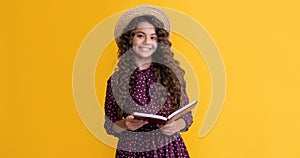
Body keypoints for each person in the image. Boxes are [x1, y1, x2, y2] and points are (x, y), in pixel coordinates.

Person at [104, 5, 193, 158]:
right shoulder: (116, 80)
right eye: (140, 35)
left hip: (168, 148)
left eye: (153, 37)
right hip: (132, 149)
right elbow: (110, 125)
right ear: (130, 39)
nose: (147, 41)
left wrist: (176, 126)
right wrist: (125, 124)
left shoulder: (171, 75)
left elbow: (187, 117)